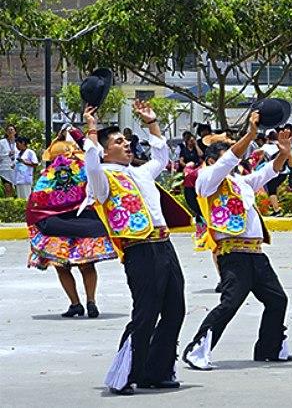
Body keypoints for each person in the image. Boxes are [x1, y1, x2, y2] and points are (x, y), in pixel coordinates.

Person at [84, 101, 186, 396]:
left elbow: (162, 156)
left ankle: (156, 371)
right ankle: (124, 374)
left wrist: (152, 123)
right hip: (140, 250)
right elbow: (90, 162)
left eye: (126, 140)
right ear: (105, 150)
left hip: (164, 245)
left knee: (175, 309)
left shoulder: (140, 173)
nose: (126, 144)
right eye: (119, 141)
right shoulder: (102, 177)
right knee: (145, 313)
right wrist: (91, 130)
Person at [182, 111, 292, 371]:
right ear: (211, 160)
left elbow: (268, 173)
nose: (234, 159)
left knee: (277, 300)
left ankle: (270, 348)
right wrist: (250, 135)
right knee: (230, 303)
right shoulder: (206, 179)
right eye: (227, 156)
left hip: (255, 254)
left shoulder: (239, 182)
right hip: (233, 254)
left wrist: (284, 153)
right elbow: (227, 161)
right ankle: (197, 349)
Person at [26, 126, 117, 319]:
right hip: (84, 222)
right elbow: (91, 150)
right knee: (87, 264)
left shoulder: (47, 175)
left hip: (56, 225)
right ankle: (91, 301)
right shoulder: (83, 168)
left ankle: (75, 304)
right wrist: (75, 133)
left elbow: (36, 204)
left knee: (61, 265)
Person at [0, 124, 17, 196]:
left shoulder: (18, 142)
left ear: (15, 132)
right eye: (8, 130)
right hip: (5, 169)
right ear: (6, 132)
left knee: (18, 190)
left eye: (12, 129)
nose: (10, 131)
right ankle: (9, 205)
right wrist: (7, 154)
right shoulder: (2, 142)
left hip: (17, 169)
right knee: (8, 189)